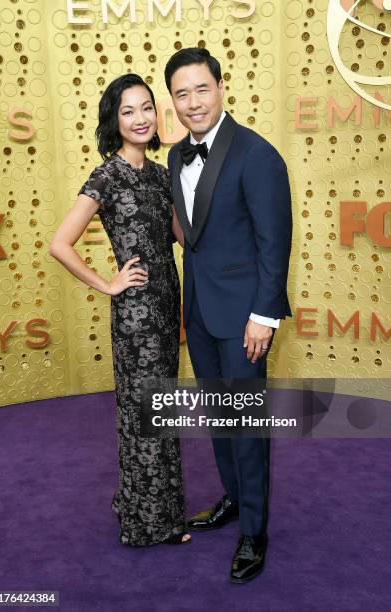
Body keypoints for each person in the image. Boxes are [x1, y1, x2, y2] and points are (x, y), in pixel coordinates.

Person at [165, 48, 292, 581]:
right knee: (220, 419)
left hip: (245, 318)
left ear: (220, 87)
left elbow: (274, 242)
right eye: (181, 94)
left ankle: (254, 531)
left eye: (201, 89)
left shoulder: (257, 154)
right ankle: (235, 500)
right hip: (199, 311)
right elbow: (191, 233)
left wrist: (264, 314)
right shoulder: (175, 156)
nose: (193, 103)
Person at [49, 74, 190, 546]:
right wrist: (107, 284)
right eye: (127, 111)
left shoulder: (160, 174)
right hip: (136, 314)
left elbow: (183, 237)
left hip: (168, 302)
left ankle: (142, 501)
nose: (140, 118)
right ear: (114, 120)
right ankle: (150, 523)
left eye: (146, 107)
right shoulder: (107, 175)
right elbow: (60, 244)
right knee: (143, 411)